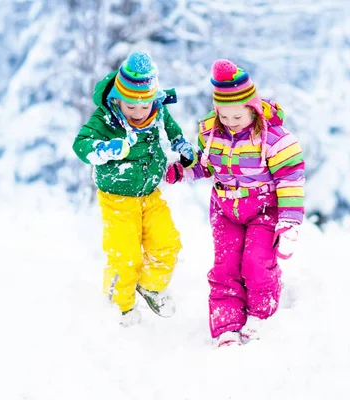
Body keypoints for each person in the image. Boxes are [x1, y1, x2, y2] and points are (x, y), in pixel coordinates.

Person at [165, 59, 305, 347]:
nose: (229, 123)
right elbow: (207, 166)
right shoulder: (211, 133)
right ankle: (226, 325)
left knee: (255, 263)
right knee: (225, 267)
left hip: (264, 209)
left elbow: (290, 178)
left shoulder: (275, 140)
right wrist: (183, 171)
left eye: (236, 117)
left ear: (252, 108)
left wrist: (289, 223)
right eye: (223, 117)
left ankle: (260, 315)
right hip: (226, 210)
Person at [72, 51, 197, 327]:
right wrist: (103, 149)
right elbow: (80, 145)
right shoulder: (105, 119)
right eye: (131, 107)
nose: (139, 113)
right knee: (125, 255)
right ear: (117, 98)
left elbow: (171, 127)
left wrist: (181, 145)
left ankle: (151, 286)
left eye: (145, 106)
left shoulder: (156, 109)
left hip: (150, 195)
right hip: (117, 199)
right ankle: (121, 306)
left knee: (168, 243)